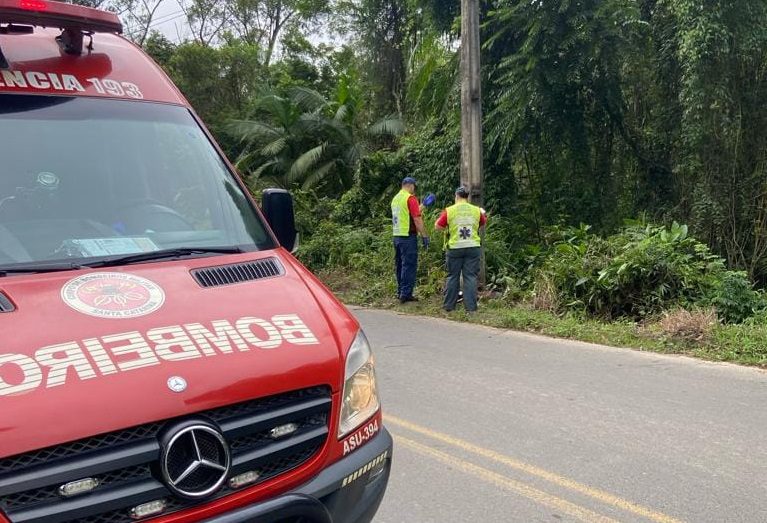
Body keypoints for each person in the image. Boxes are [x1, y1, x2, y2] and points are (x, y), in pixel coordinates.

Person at [435, 186, 487, 312]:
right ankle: (471, 309)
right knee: (470, 277)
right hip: (472, 247)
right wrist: (483, 213)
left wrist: (448, 229)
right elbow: (483, 222)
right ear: (467, 197)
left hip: (455, 248)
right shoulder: (476, 210)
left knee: (453, 276)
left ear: (456, 196)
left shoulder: (450, 210)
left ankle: (449, 307)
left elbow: (437, 226)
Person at [391, 177, 429, 303]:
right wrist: (424, 236)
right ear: (411, 185)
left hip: (397, 236)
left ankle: (400, 291)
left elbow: (408, 212)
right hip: (408, 237)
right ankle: (406, 294)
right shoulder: (410, 198)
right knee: (409, 265)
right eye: (414, 186)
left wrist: (423, 205)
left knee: (400, 265)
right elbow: (416, 218)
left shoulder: (396, 199)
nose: (414, 189)